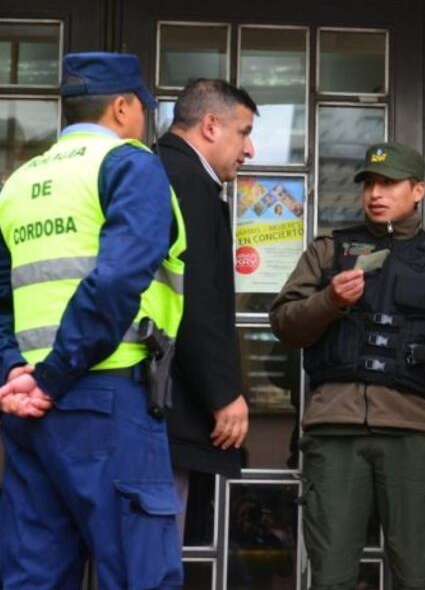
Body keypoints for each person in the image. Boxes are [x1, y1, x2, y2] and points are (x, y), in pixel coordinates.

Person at [0, 52, 186, 590]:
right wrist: (53, 377)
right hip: (108, 402)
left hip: (29, 411)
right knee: (138, 574)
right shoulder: (131, 164)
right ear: (124, 107)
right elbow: (114, 282)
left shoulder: (17, 185)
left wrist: (15, 373)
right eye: (142, 110)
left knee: (31, 574)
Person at [269, 142, 425, 590]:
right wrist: (330, 301)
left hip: (412, 435)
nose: (376, 193)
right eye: (369, 183)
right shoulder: (328, 252)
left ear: (418, 190)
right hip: (334, 431)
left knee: (416, 574)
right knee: (331, 576)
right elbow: (284, 324)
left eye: (389, 183)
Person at [155, 78, 256, 538]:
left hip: (135, 394)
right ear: (211, 126)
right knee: (153, 550)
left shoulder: (151, 170)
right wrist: (223, 394)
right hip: (166, 401)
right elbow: (194, 298)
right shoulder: (189, 183)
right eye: (244, 132)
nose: (250, 149)